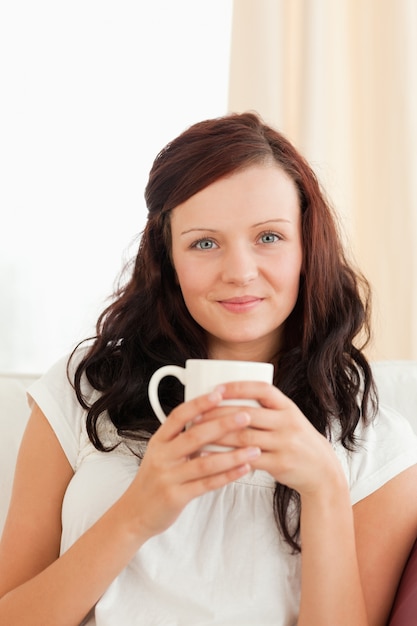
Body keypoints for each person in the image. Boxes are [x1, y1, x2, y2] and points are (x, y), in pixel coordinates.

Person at [0, 112, 417, 626]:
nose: (240, 271)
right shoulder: (82, 391)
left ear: (308, 247)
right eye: (204, 242)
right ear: (168, 259)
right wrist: (137, 514)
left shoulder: (378, 449)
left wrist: (324, 489)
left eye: (269, 237)